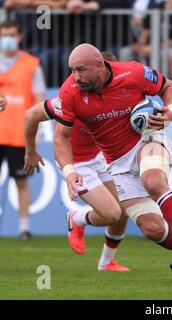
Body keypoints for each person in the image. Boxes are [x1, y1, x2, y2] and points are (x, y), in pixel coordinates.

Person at [52, 43, 172, 271]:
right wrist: (69, 171)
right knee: (152, 228)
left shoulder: (133, 72)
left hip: (147, 138)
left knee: (153, 180)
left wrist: (171, 111)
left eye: (81, 70)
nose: (75, 77)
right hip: (117, 163)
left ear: (99, 65)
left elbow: (169, 87)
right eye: (72, 70)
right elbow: (60, 137)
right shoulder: (69, 92)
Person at [23, 52, 130, 271]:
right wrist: (31, 151)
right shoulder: (69, 99)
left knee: (124, 211)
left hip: (100, 156)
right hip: (76, 163)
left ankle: (107, 262)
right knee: (111, 214)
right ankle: (77, 218)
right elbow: (30, 115)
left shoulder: (119, 96)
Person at [0, 20, 46, 240]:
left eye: (11, 34)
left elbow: (39, 101)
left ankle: (24, 227)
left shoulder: (31, 64)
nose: (7, 39)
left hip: (19, 134)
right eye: (4, 34)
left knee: (21, 182)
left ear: (19, 36)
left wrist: (36, 135)